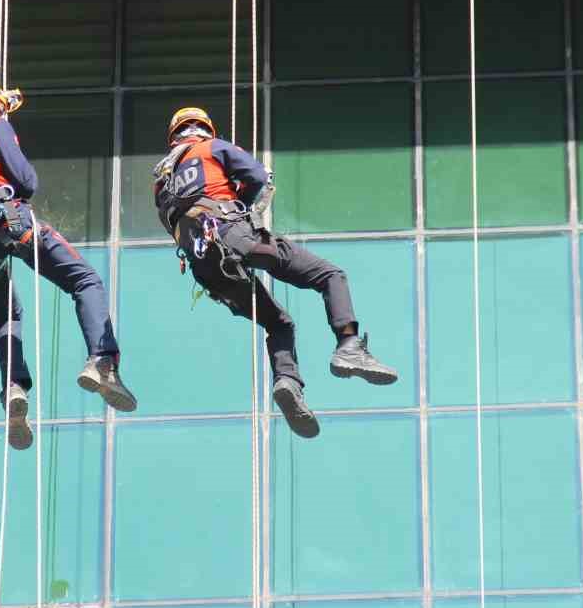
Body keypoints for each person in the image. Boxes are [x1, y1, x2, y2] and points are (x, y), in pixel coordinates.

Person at [151, 107, 399, 438]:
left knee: (278, 323)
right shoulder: (212, 148)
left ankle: (288, 383)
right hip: (233, 236)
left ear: (174, 137)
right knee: (330, 275)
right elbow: (258, 177)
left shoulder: (162, 183)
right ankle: (349, 344)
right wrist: (239, 206)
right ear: (205, 130)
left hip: (207, 270)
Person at [0, 74, 135, 450]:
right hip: (4, 218)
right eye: (0, 105)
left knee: (6, 314)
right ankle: (102, 362)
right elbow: (25, 180)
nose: (3, 111)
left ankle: (13, 387)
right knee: (83, 280)